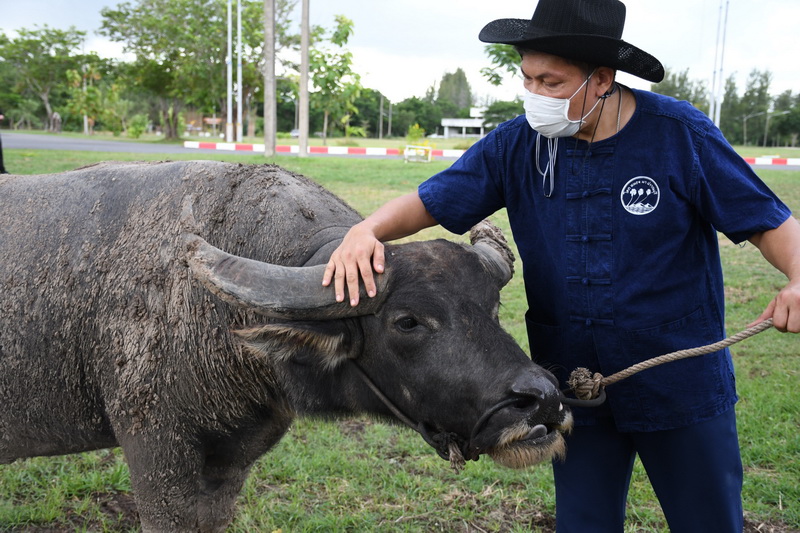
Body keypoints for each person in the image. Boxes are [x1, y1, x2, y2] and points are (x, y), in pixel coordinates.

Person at [322, 0, 800, 530]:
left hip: (678, 381)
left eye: (551, 82)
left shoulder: (679, 135)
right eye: (528, 79)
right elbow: (432, 200)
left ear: (602, 79)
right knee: (583, 522)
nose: (535, 94)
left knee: (707, 520)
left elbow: (768, 222)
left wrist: (799, 277)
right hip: (573, 384)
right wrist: (367, 230)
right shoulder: (515, 145)